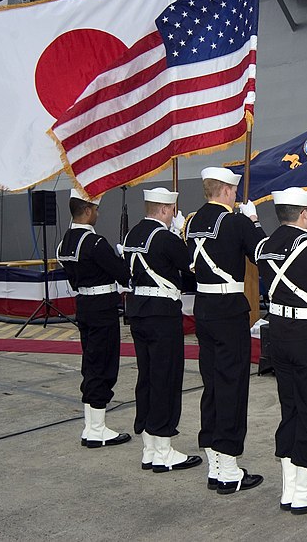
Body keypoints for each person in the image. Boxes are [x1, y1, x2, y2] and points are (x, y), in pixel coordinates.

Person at [255, 187, 307, 515]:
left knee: (291, 408)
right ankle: (304, 491)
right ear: (305, 214)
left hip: (278, 336)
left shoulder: (264, 249)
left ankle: (291, 488)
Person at [184, 166, 265, 495]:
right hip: (230, 311)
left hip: (203, 310)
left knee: (213, 384)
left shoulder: (191, 224)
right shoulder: (235, 222)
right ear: (228, 191)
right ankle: (229, 469)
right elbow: (265, 255)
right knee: (232, 385)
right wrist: (254, 222)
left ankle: (215, 463)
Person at [123, 187, 202, 473]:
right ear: (166, 210)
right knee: (166, 378)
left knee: (147, 377)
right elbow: (193, 264)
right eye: (172, 213)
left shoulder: (132, 235)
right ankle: (164, 450)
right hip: (162, 314)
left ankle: (149, 448)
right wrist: (186, 231)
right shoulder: (166, 237)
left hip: (139, 311)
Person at [56, 189, 131, 449]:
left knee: (90, 364)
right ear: (87, 210)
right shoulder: (95, 243)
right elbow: (123, 274)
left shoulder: (65, 241)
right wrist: (123, 256)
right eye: (96, 209)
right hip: (102, 308)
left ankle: (91, 426)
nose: (98, 214)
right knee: (104, 365)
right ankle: (97, 429)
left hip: (84, 305)